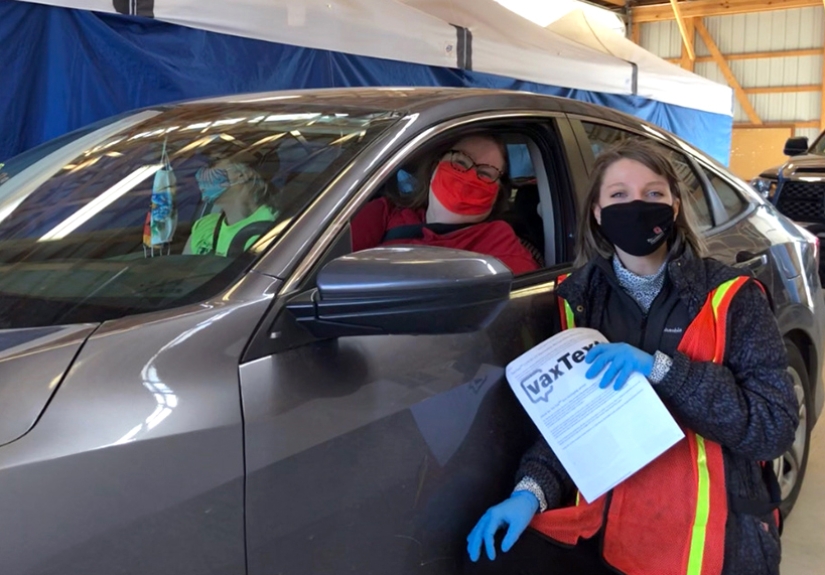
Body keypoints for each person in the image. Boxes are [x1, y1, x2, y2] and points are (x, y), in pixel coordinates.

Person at [465, 139, 799, 575]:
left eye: (654, 194)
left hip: (712, 538)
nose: (636, 206)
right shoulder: (577, 299)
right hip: (611, 531)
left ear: (675, 207)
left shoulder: (730, 298)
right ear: (599, 214)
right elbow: (574, 422)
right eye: (619, 195)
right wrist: (530, 492)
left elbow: (773, 429)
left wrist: (661, 369)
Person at [350, 134, 540, 274]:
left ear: (498, 193)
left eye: (485, 173)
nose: (469, 177)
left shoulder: (500, 245)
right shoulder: (385, 212)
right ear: (435, 166)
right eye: (460, 162)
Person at [183, 157, 279, 256]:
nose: (203, 174)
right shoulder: (203, 225)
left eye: (214, 165)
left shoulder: (272, 225)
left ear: (242, 176)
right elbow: (183, 269)